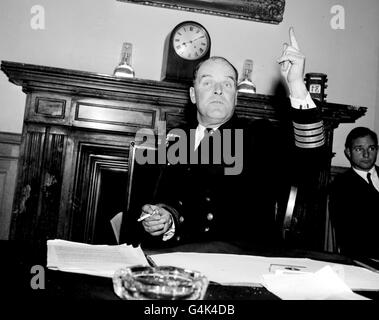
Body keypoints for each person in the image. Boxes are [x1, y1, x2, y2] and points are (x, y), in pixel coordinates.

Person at [124, 27, 325, 249]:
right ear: (193, 94)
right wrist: (163, 218)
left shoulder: (258, 135)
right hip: (181, 259)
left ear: (236, 97)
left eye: (227, 84)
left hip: (241, 262)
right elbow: (163, 202)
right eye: (207, 82)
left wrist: (296, 85)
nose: (218, 90)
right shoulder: (174, 139)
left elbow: (309, 165)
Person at [329, 127, 379, 259]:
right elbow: (347, 234)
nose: (366, 155)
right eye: (359, 149)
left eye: (371, 148)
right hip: (365, 259)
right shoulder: (340, 185)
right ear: (348, 152)